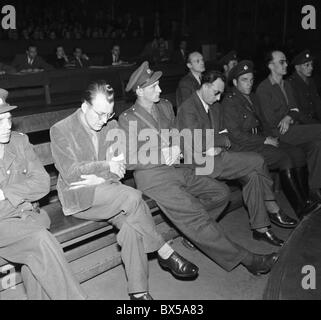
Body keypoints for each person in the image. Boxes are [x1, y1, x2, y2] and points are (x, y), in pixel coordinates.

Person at [118, 61, 279, 278]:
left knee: (221, 194)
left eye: (158, 85)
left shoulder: (164, 106)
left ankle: (193, 232)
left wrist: (179, 147)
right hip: (153, 177)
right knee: (196, 216)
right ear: (139, 90)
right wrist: (161, 154)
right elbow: (128, 160)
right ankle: (248, 259)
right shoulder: (128, 118)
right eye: (153, 86)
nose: (160, 89)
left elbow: (178, 134)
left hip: (177, 167)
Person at [50, 81, 198, 301]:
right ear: (84, 107)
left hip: (111, 192)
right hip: (80, 198)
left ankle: (139, 293)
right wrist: (106, 165)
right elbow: (71, 173)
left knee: (131, 226)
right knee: (133, 196)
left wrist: (100, 174)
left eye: (109, 115)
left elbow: (122, 167)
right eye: (99, 114)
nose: (104, 121)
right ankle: (164, 251)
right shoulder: (61, 130)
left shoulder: (111, 126)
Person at [177, 69, 297, 246]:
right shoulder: (188, 108)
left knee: (253, 176)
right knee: (257, 160)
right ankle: (271, 205)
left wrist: (216, 143)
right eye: (216, 92)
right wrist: (215, 142)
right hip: (199, 163)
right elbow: (196, 143)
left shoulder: (215, 106)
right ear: (205, 86)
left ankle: (261, 229)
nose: (219, 98)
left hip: (217, 157)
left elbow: (226, 135)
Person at [0, 89, 86, 300]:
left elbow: (42, 184)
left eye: (9, 119)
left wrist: (5, 194)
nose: (7, 126)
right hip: (8, 226)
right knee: (41, 242)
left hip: (27, 218)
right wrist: (21, 199)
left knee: (35, 254)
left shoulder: (19, 142)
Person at [222, 60, 318, 219]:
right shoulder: (230, 101)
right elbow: (236, 135)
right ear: (234, 82)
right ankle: (300, 207)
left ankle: (305, 199)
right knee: (284, 158)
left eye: (251, 80)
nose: (249, 84)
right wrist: (265, 141)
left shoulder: (252, 97)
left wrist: (270, 137)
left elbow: (263, 123)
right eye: (244, 80)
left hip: (262, 138)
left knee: (297, 153)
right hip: (246, 146)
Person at [256, 50, 321, 203]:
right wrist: (289, 116)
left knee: (317, 145)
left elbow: (295, 110)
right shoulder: (263, 89)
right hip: (278, 134)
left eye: (285, 61)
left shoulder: (287, 85)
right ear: (271, 66)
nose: (286, 65)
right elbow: (271, 122)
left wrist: (288, 116)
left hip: (292, 130)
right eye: (282, 62)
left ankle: (313, 189)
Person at [288, 50, 321, 124]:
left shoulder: (310, 81)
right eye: (307, 65)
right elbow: (297, 112)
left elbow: (318, 103)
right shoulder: (291, 83)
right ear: (297, 68)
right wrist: (317, 125)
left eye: (311, 64)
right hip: (301, 124)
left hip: (315, 121)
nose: (311, 68)